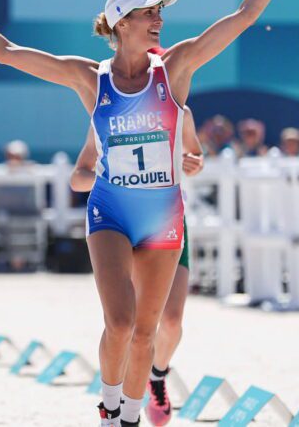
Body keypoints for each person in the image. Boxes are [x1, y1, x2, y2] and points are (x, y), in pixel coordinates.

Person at [0, 0, 299, 423]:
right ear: (122, 23)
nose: (159, 20)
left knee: (148, 331)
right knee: (120, 321)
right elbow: (7, 52)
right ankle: (109, 407)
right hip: (111, 208)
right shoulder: (91, 77)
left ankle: (130, 414)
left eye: (159, 12)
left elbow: (244, 17)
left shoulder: (176, 66)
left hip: (164, 212)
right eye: (150, 13)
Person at [71, 102, 204, 427]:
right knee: (123, 323)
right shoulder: (108, 116)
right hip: (119, 218)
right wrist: (108, 178)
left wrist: (193, 164)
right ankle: (116, 411)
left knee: (170, 322)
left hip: (166, 219)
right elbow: (78, 177)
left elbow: (196, 156)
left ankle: (156, 377)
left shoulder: (179, 111)